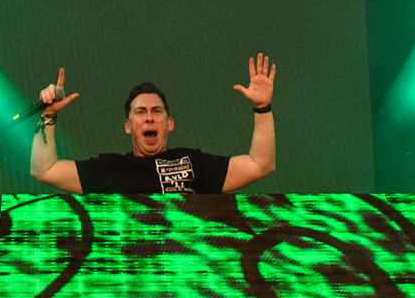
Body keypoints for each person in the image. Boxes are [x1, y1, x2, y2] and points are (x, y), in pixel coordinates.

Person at [25, 58, 274, 198]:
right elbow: (44, 170)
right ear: (128, 126)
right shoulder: (109, 168)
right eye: (140, 112)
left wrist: (262, 108)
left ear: (169, 123)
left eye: (156, 111)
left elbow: (261, 164)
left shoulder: (192, 163)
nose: (149, 118)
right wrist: (48, 115)